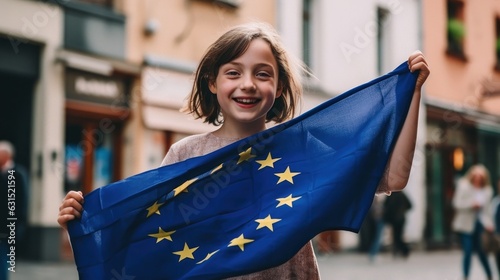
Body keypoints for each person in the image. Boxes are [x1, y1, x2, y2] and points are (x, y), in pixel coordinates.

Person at [58, 22, 430, 278]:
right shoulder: (186, 155)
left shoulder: (303, 148)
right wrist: (86, 217)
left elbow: (393, 178)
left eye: (263, 74)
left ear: (280, 86)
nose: (248, 85)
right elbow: (139, 236)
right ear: (213, 82)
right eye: (233, 73)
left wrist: (411, 93)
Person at [452, 164, 494, 280]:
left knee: (482, 252)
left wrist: (490, 224)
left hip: (480, 224)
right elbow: (456, 203)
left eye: (480, 177)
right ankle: (465, 276)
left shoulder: (487, 190)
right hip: (466, 224)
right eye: (476, 176)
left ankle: (489, 274)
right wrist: (471, 205)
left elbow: (487, 210)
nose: (477, 179)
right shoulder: (464, 186)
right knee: (468, 251)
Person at [1, 141, 29, 280]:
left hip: (8, 227)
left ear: (6, 155)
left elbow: (22, 202)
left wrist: (18, 226)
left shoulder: (18, 174)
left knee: (3, 261)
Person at [383, 191, 412, 259]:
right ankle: (399, 251)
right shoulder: (402, 194)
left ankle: (403, 250)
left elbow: (386, 207)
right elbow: (409, 205)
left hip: (396, 219)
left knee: (397, 236)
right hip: (400, 219)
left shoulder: (391, 196)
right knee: (398, 236)